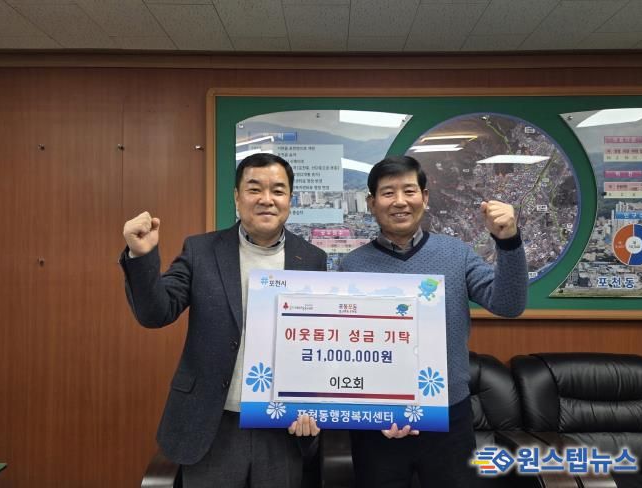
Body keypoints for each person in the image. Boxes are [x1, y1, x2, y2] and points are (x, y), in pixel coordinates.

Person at [120, 153, 326, 488]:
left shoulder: (312, 259)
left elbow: (318, 342)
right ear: (236, 197)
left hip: (280, 427)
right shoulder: (201, 250)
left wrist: (313, 404)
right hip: (212, 424)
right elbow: (156, 313)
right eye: (254, 189)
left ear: (290, 199)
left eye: (278, 190)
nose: (266, 199)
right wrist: (142, 256)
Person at [340, 155, 528, 488]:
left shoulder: (457, 254)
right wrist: (368, 410)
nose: (400, 201)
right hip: (376, 421)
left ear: (424, 198)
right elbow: (343, 347)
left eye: (409, 191)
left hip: (449, 415)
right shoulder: (351, 266)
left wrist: (509, 242)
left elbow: (509, 305)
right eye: (388, 193)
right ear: (371, 203)